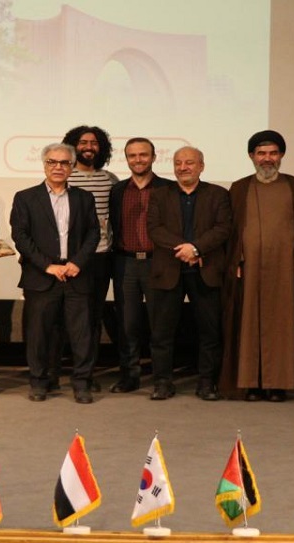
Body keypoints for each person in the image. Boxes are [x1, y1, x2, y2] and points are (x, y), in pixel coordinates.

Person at [220, 130, 294, 402]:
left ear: (281, 155)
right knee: (249, 324)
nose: (267, 159)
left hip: (284, 269)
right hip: (250, 268)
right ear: (252, 156)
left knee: (282, 325)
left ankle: (278, 384)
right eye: (262, 153)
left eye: (273, 153)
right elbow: (233, 230)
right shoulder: (239, 188)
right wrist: (235, 260)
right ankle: (251, 383)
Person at [10, 143, 99, 403]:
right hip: (42, 276)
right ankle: (39, 382)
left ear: (72, 167)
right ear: (44, 164)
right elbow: (21, 236)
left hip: (76, 274)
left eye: (64, 163)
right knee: (38, 334)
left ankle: (81, 383)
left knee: (81, 335)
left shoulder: (84, 198)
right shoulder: (25, 197)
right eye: (52, 162)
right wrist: (47, 266)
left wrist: (77, 262)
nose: (58, 167)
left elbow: (94, 232)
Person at [146, 147, 230, 400]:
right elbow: (154, 228)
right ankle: (163, 383)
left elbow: (223, 228)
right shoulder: (160, 195)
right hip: (168, 271)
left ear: (201, 166)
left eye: (189, 162)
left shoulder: (218, 194)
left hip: (206, 270)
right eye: (178, 163)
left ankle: (207, 383)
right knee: (162, 333)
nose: (183, 167)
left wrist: (196, 248)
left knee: (209, 331)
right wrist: (185, 249)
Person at [108, 137, 172, 393]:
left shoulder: (168, 188)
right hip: (125, 263)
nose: (138, 160)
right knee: (127, 325)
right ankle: (129, 377)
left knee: (161, 326)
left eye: (143, 155)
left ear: (154, 157)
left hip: (159, 263)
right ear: (126, 159)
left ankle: (162, 380)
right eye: (132, 155)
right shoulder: (118, 190)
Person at [60, 125, 120, 392]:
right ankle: (55, 372)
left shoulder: (110, 179)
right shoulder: (65, 177)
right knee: (66, 318)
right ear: (73, 146)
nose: (88, 147)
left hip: (100, 258)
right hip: (68, 259)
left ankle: (87, 373)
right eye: (83, 142)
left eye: (94, 143)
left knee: (93, 318)